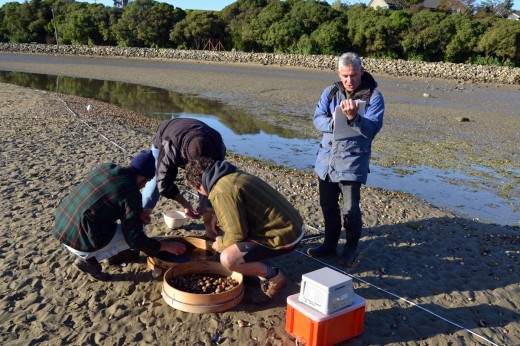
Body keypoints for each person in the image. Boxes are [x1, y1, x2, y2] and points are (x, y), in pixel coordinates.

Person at [53, 150, 187, 281]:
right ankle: (88, 261)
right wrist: (165, 246)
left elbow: (109, 201)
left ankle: (119, 255)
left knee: (130, 226)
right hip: (79, 239)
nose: (144, 185)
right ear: (143, 177)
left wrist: (138, 212)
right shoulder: (131, 193)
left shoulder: (106, 167)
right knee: (140, 231)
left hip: (62, 226)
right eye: (147, 181)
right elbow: (134, 238)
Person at [184, 157, 304, 299]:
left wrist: (220, 243)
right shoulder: (228, 175)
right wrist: (218, 215)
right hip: (293, 226)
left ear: (199, 185)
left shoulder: (221, 191)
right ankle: (251, 270)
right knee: (226, 234)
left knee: (228, 258)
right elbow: (237, 206)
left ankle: (275, 277)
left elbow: (237, 234)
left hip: (284, 237)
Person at [308, 52, 384, 266]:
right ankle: (329, 244)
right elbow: (317, 119)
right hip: (326, 162)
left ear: (361, 71)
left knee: (350, 209)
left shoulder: (374, 97)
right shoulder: (330, 91)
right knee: (328, 206)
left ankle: (350, 249)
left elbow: (372, 129)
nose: (349, 81)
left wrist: (353, 118)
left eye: (353, 75)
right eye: (345, 76)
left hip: (352, 163)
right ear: (338, 73)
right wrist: (334, 123)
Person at [141, 118, 226, 238]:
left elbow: (213, 182)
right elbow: (163, 182)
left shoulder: (218, 147)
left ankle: (211, 232)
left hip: (201, 135)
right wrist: (185, 203)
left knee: (211, 188)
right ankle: (140, 221)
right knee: (155, 182)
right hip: (168, 133)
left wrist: (203, 201)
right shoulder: (170, 146)